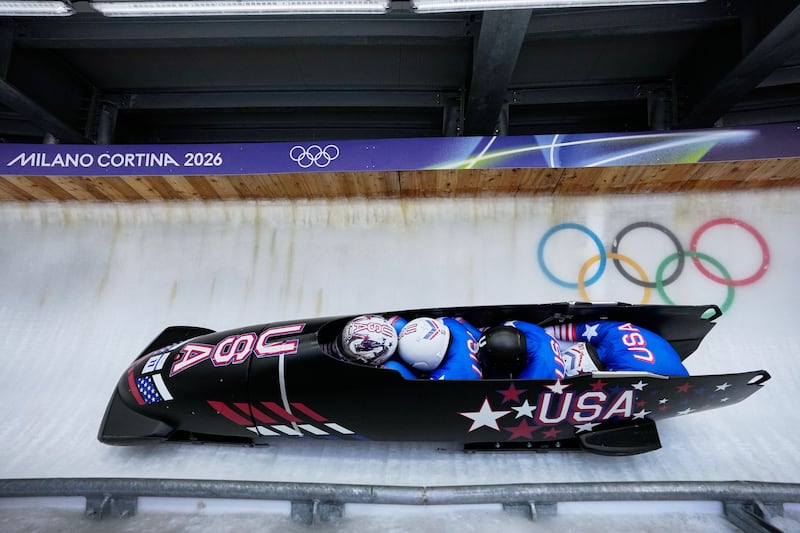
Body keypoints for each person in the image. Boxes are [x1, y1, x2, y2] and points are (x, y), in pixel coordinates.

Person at [544, 321, 689, 376]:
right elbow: (578, 330)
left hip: (677, 374)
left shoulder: (623, 369)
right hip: (660, 346)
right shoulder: (609, 332)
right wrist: (545, 333)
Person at [382, 316, 482, 380]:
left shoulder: (449, 375)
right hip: (467, 347)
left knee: (391, 367)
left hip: (464, 378)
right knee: (398, 325)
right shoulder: (449, 322)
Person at [477, 321, 565, 379]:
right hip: (545, 344)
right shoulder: (518, 327)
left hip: (552, 371)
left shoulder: (538, 374)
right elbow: (502, 326)